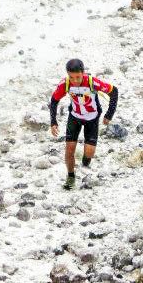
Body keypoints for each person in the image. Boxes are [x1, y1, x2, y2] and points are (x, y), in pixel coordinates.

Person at [50, 58, 118, 190]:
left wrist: (109, 114)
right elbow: (54, 101)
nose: (75, 81)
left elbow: (113, 91)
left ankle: (86, 161)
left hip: (92, 119)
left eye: (78, 77)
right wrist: (53, 121)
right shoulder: (66, 84)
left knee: (89, 153)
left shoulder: (92, 82)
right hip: (74, 118)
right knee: (69, 150)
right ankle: (70, 177)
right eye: (71, 77)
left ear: (83, 73)